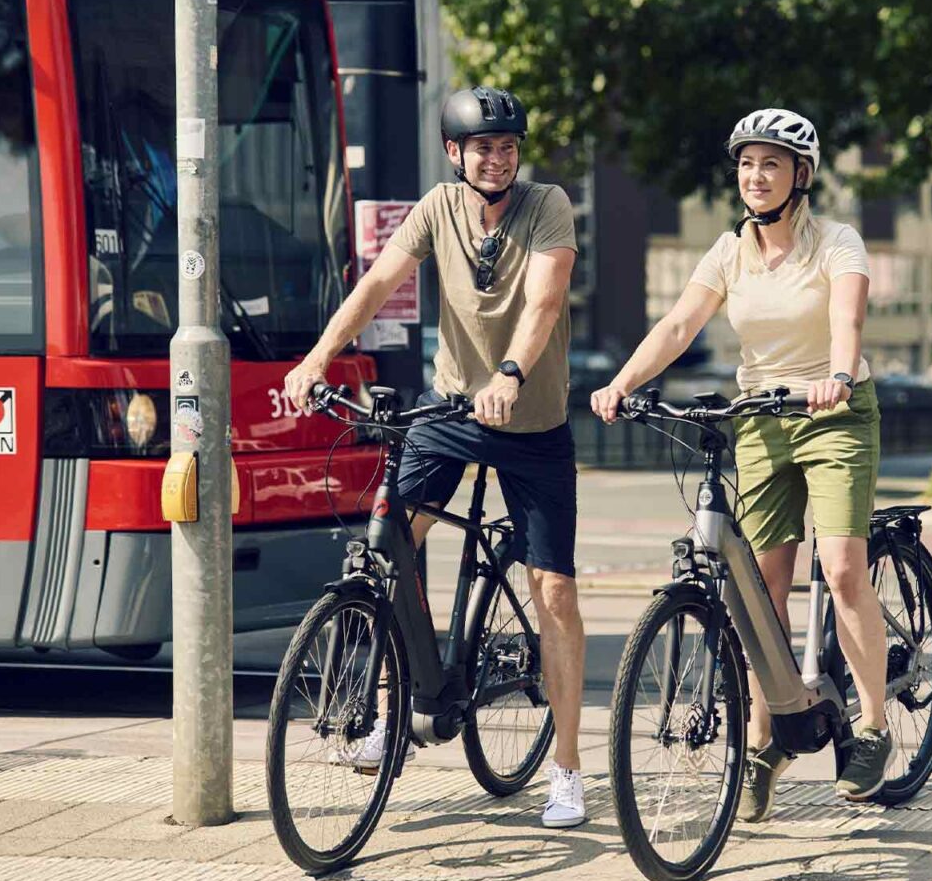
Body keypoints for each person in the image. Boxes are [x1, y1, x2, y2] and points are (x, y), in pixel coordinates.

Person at [283, 86, 588, 829]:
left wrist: (511, 375)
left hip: (532, 420)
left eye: (509, 146)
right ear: (456, 154)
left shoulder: (547, 204)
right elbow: (380, 281)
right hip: (453, 411)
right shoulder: (436, 208)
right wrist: (319, 356)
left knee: (552, 591)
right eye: (484, 147)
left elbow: (544, 303)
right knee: (386, 546)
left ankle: (568, 770)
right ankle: (402, 708)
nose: (498, 158)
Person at [592, 108, 889, 823]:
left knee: (843, 567)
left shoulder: (837, 243)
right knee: (758, 592)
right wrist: (623, 383)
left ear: (801, 176)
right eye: (747, 164)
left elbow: (846, 321)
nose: (755, 177)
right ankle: (765, 742)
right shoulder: (728, 253)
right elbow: (678, 324)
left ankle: (874, 725)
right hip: (761, 419)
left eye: (772, 164)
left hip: (833, 413)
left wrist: (839, 378)